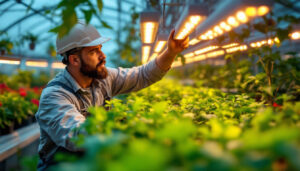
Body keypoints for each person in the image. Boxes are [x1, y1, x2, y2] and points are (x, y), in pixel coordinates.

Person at [35, 21, 189, 170]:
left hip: (94, 162)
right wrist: (127, 127)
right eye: (93, 51)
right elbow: (78, 136)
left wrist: (170, 52)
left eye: (100, 48)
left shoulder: (103, 79)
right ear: (74, 59)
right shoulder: (54, 95)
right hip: (60, 167)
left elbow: (142, 75)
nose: (103, 56)